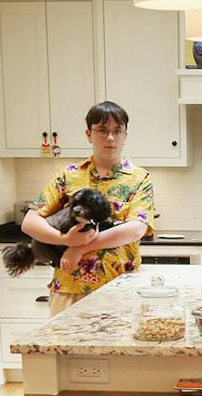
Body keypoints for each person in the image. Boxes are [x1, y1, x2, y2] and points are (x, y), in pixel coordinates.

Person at [21, 101, 158, 314]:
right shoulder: (68, 175)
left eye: (117, 131)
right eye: (102, 130)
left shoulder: (139, 178)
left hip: (120, 289)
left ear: (124, 136)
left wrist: (79, 247)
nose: (110, 138)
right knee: (64, 347)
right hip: (69, 289)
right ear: (88, 134)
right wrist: (64, 240)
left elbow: (136, 229)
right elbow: (29, 222)